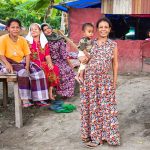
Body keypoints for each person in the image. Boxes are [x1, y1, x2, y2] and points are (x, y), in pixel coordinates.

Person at [79, 17, 120, 148]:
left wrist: (114, 81)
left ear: (109, 29)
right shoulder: (91, 43)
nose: (103, 29)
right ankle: (93, 136)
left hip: (104, 81)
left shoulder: (113, 45)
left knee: (106, 108)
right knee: (92, 108)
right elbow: (81, 56)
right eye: (101, 27)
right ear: (97, 29)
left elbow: (115, 64)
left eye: (106, 27)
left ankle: (106, 136)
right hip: (90, 80)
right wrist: (83, 59)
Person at [0, 18, 49, 107]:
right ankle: (25, 99)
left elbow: (27, 54)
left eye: (17, 27)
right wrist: (7, 64)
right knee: (23, 73)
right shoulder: (3, 39)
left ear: (20, 29)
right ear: (8, 28)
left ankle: (39, 99)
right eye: (13, 27)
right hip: (7, 62)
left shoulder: (22, 39)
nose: (15, 29)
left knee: (39, 72)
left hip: (21, 62)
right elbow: (1, 55)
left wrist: (27, 65)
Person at [26, 23, 59, 100]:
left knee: (54, 68)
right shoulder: (27, 42)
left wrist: (50, 63)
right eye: (31, 30)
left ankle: (50, 92)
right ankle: (40, 96)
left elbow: (47, 55)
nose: (33, 31)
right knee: (42, 70)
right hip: (32, 64)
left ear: (40, 31)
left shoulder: (44, 42)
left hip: (43, 63)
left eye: (35, 29)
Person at [41, 23, 75, 98]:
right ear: (43, 32)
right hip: (49, 61)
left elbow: (63, 52)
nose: (47, 31)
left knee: (69, 70)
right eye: (45, 30)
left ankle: (67, 93)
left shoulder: (59, 38)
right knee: (61, 72)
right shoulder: (43, 41)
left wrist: (69, 63)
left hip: (60, 60)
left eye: (48, 28)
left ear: (51, 28)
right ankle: (60, 93)